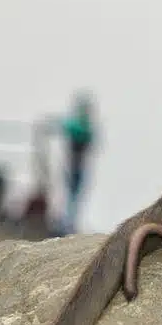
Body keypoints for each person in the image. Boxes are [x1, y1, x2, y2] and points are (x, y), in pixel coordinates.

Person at [58, 91, 97, 234]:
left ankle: (69, 223)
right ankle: (66, 224)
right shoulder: (78, 126)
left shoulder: (84, 127)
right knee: (70, 196)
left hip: (80, 166)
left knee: (75, 197)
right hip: (72, 165)